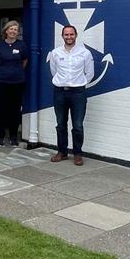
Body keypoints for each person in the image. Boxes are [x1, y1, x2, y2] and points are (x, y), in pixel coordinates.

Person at [48, 25, 94, 166]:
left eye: (71, 34)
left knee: (78, 125)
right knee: (61, 124)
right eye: (66, 34)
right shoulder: (55, 53)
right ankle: (62, 152)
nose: (69, 37)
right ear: (62, 36)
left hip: (78, 93)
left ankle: (77, 154)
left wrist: (78, 83)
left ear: (76, 35)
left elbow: (90, 73)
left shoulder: (85, 53)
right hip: (60, 92)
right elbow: (54, 71)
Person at [0, 20, 29, 147]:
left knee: (14, 110)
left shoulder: (22, 45)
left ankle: (13, 136)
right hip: (2, 82)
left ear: (17, 32)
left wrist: (15, 71)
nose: (13, 31)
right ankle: (0, 136)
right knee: (1, 109)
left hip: (17, 82)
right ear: (6, 31)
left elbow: (24, 61)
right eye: (11, 29)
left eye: (15, 29)